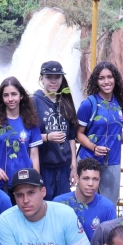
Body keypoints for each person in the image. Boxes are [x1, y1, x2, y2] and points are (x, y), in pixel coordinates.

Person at [76, 61, 123, 204]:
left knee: (110, 204)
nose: (106, 81)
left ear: (115, 79)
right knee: (85, 202)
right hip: (89, 159)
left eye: (110, 77)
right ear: (96, 81)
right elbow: (78, 134)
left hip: (112, 160)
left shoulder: (119, 103)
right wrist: (94, 147)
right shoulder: (89, 104)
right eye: (101, 78)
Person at [0, 77, 42, 194]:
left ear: (21, 96)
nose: (10, 99)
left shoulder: (31, 122)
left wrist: (36, 181)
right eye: (6, 95)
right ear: (1, 98)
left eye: (14, 94)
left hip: (25, 181)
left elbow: (34, 156)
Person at [32, 61, 78, 199]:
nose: (53, 81)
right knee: (44, 204)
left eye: (57, 77)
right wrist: (47, 137)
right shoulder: (34, 101)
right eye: (49, 77)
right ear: (41, 78)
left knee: (62, 205)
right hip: (44, 166)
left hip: (64, 167)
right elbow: (28, 138)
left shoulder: (66, 100)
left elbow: (71, 137)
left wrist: (73, 166)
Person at [54, 158, 116, 242]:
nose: (90, 184)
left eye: (95, 179)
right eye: (86, 178)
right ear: (77, 178)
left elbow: (111, 241)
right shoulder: (59, 203)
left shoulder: (107, 207)